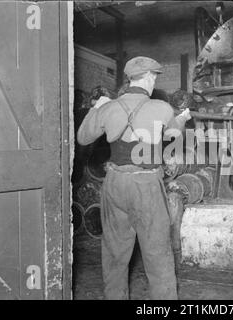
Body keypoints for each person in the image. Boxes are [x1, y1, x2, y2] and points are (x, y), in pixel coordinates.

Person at [77, 56, 191, 300]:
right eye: (154, 77)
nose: (154, 82)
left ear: (130, 78)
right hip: (146, 185)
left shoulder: (109, 108)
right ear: (149, 77)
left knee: (114, 255)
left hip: (114, 183)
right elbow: (173, 135)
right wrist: (182, 118)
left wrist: (98, 107)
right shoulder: (161, 108)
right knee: (157, 254)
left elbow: (83, 138)